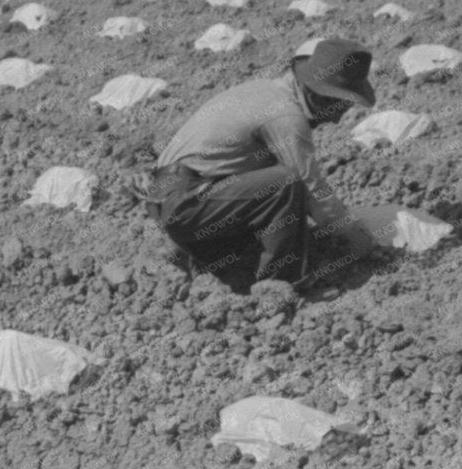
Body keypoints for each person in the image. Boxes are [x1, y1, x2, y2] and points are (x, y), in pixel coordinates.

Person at [146, 37, 381, 293]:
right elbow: (312, 187)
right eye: (339, 106)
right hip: (186, 204)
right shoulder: (285, 117)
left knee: (271, 189)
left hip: (174, 197)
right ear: (318, 96)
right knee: (286, 183)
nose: (337, 120)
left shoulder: (265, 90)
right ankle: (281, 287)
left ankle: (213, 261)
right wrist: (355, 237)